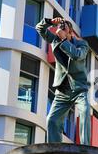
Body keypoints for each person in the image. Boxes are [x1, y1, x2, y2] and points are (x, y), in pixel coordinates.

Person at [36, 17, 91, 145]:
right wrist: (50, 22)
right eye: (60, 27)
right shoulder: (56, 40)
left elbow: (77, 55)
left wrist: (64, 40)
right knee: (52, 120)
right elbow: (40, 29)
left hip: (79, 88)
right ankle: (54, 150)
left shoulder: (82, 44)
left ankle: (85, 147)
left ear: (70, 31)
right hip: (63, 91)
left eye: (64, 27)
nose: (61, 29)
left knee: (85, 111)